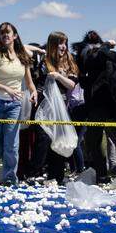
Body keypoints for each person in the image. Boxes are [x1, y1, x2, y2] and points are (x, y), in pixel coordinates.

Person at [0, 22, 36, 185]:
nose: (5, 35)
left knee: (11, 144)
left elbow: (29, 81)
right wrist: (7, 89)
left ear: (15, 36)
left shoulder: (23, 57)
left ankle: (10, 178)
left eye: (8, 32)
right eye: (2, 33)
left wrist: (33, 91)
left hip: (14, 105)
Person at [31, 31, 80, 183]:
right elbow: (37, 81)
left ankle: (56, 175)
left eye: (65, 43)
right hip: (44, 105)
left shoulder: (70, 61)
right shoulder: (44, 62)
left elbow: (72, 84)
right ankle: (35, 172)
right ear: (52, 44)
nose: (63, 47)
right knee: (43, 138)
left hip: (62, 107)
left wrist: (59, 76)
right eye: (60, 43)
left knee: (60, 139)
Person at [76, 31, 116, 181]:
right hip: (95, 102)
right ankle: (101, 173)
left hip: (112, 101)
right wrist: (106, 46)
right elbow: (92, 60)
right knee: (93, 139)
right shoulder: (87, 55)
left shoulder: (108, 54)